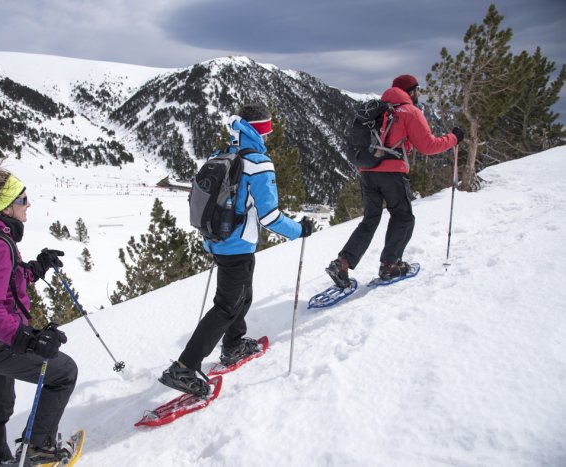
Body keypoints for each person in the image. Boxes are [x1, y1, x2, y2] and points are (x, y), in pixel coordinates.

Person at [159, 103, 313, 396]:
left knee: (243, 296)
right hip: (237, 244)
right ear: (260, 130)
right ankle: (184, 367)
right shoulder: (258, 163)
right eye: (267, 130)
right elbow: (270, 217)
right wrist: (299, 230)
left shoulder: (220, 155)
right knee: (227, 306)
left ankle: (233, 344)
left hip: (219, 240)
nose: (268, 136)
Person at [0, 164, 77, 467]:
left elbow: (1, 283)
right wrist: (26, 340)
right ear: (7, 207)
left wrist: (36, 268)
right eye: (23, 200)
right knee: (63, 373)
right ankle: (39, 449)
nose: (29, 205)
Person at [326, 74, 463, 288]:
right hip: (392, 172)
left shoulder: (377, 111)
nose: (418, 95)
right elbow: (428, 146)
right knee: (403, 217)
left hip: (367, 170)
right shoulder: (409, 111)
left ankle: (342, 263)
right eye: (417, 90)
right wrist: (454, 138)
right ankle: (390, 265)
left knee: (370, 219)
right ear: (411, 91)